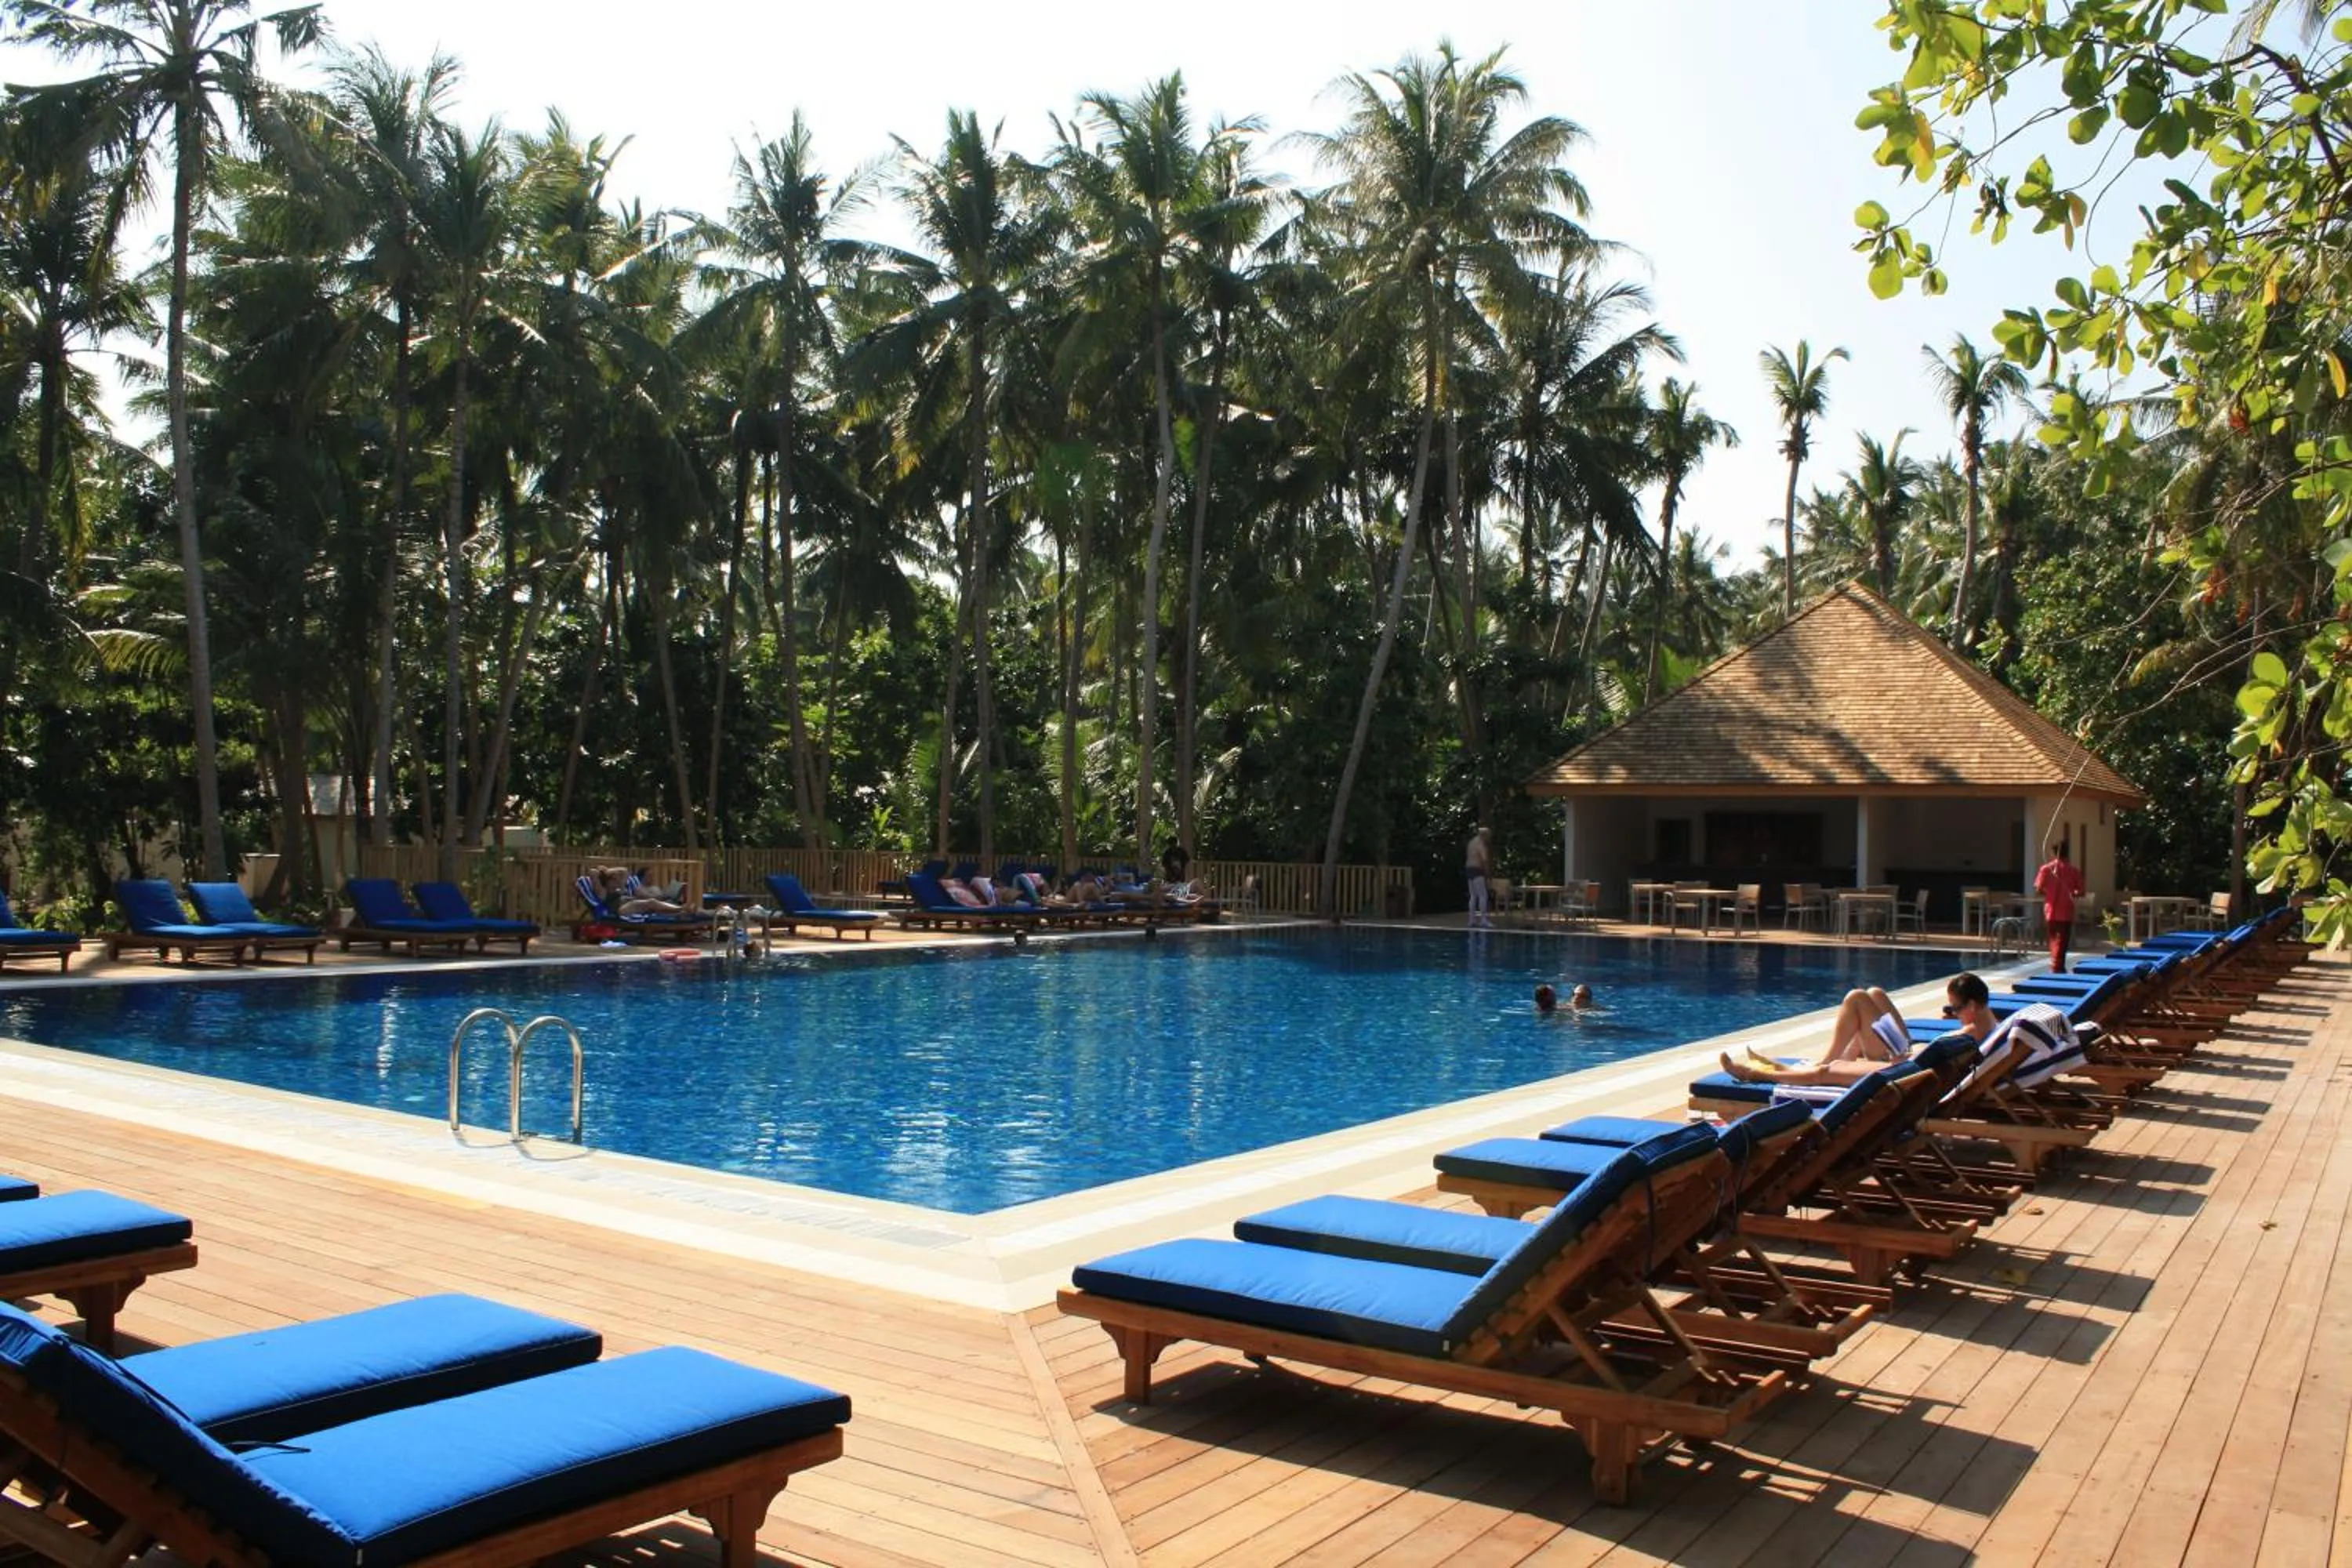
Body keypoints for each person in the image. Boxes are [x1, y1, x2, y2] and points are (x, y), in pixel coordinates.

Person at [1719, 982, 1937, 1086]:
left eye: (1955, 1009)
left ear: (1973, 1007)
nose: (1952, 1013)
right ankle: (1835, 1058)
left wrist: (1760, 1075)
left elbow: (1819, 1076)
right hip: (1906, 1057)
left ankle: (1826, 1058)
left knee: (1857, 998)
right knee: (1874, 994)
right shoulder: (1969, 1035)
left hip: (1896, 1067)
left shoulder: (1884, 1074)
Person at [2034, 840, 2087, 972]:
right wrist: (2071, 893)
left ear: (2054, 852)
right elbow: (2081, 891)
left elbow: (2039, 889)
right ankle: (2057, 967)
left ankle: (2057, 965)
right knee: (2062, 940)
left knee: (2053, 939)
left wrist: (2050, 892)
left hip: (2051, 909)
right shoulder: (2073, 871)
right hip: (2066, 909)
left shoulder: (2046, 869)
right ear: (2067, 853)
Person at [1465, 825, 1493, 929]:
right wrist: (1487, 874)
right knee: (1483, 895)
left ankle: (1471, 920)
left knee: (1473, 895)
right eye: (1488, 836)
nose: (1488, 839)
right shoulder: (1481, 844)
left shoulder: (1471, 842)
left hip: (1469, 869)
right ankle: (1483, 920)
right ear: (1484, 835)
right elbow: (1484, 860)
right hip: (1477, 870)